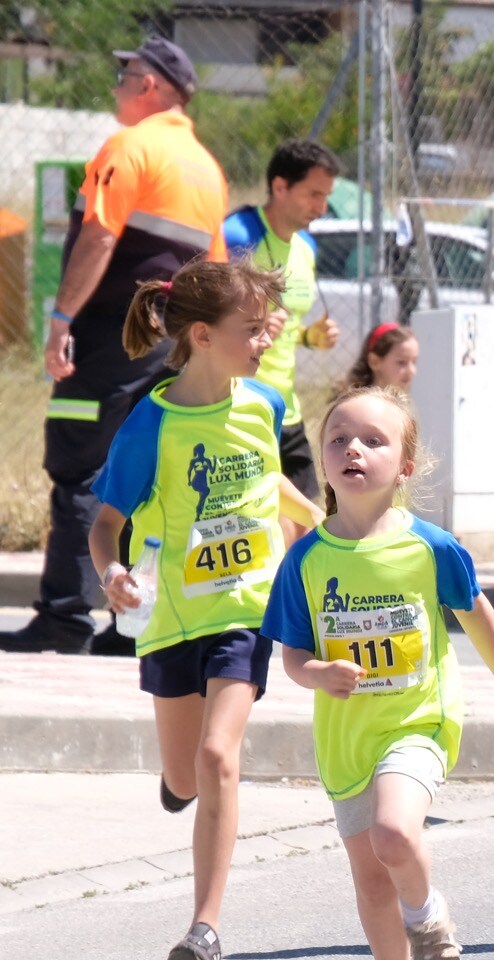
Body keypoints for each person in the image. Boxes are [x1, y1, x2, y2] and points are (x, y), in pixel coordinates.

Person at [262, 385, 494, 960]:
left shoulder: (429, 547)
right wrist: (316, 674)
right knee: (371, 879)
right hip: (346, 738)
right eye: (338, 439)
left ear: (406, 466)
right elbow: (292, 653)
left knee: (394, 833)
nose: (353, 448)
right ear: (321, 461)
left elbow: (475, 613)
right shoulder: (306, 560)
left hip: (420, 721)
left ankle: (429, 915)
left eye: (374, 440)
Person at [87, 258, 321, 960]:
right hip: (170, 620)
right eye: (251, 331)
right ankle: (175, 780)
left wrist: (316, 536)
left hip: (244, 613)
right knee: (187, 773)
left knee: (221, 758)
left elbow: (271, 482)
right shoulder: (151, 423)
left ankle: (205, 929)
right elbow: (106, 523)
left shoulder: (265, 405)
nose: (264, 341)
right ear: (201, 335)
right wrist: (112, 575)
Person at [1, 35, 227, 657]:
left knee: (79, 469)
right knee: (145, 478)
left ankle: (66, 616)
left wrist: (61, 317)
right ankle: (131, 627)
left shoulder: (129, 148)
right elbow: (212, 271)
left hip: (105, 338)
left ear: (151, 86)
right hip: (168, 342)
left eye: (125, 75)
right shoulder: (206, 168)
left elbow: (98, 238)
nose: (116, 86)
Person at [224, 138, 343, 520]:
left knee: (309, 518)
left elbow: (287, 325)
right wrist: (250, 327)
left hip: (285, 408)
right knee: (252, 520)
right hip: (238, 402)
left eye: (325, 196)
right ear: (279, 187)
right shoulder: (238, 236)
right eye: (313, 194)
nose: (321, 207)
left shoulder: (306, 246)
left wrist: (310, 337)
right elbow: (203, 315)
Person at [342, 323, 419, 394]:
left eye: (414, 362)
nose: (411, 370)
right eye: (402, 362)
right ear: (374, 362)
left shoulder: (398, 405)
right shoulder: (361, 406)